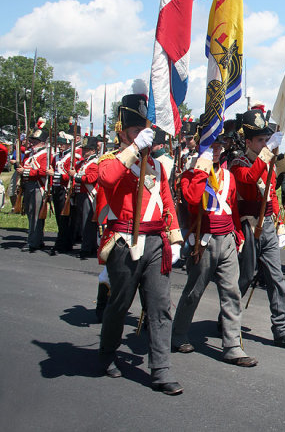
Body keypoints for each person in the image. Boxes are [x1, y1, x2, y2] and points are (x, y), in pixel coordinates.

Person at [96, 90, 184, 395]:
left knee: (160, 308)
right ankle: (107, 354)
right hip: (125, 243)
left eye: (145, 132)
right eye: (136, 131)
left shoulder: (158, 167)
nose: (144, 136)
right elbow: (106, 179)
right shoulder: (111, 160)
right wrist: (134, 148)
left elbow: (167, 203)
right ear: (123, 133)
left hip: (156, 242)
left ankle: (161, 370)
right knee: (119, 305)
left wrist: (175, 239)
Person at [172, 133, 257, 367]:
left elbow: (232, 208)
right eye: (211, 146)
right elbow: (192, 197)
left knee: (232, 292)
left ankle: (232, 346)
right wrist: (201, 169)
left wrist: (237, 234)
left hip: (227, 238)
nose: (216, 150)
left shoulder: (228, 176)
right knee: (194, 292)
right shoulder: (191, 175)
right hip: (204, 241)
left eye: (219, 146)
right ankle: (178, 334)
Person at [229, 109, 285, 349]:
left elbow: (271, 193)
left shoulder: (269, 160)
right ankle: (228, 319)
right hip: (248, 226)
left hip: (268, 225)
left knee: (276, 277)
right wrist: (266, 154)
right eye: (260, 140)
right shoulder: (238, 163)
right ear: (248, 142)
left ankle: (282, 328)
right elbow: (250, 179)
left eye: (266, 139)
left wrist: (278, 222)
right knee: (244, 277)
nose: (265, 143)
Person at [18, 118, 52, 252]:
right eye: (32, 141)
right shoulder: (32, 153)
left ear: (42, 143)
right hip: (29, 185)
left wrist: (25, 171)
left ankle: (33, 241)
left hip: (38, 187)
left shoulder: (44, 154)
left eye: (35, 142)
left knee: (36, 215)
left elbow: (43, 172)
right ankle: (36, 239)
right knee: (31, 213)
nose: (32, 144)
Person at [73, 136, 100, 260]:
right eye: (84, 149)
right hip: (81, 194)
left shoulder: (94, 163)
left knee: (87, 223)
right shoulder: (84, 162)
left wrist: (76, 176)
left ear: (93, 151)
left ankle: (87, 248)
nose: (84, 152)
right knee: (84, 222)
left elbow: (91, 179)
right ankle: (90, 245)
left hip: (88, 195)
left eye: (87, 149)